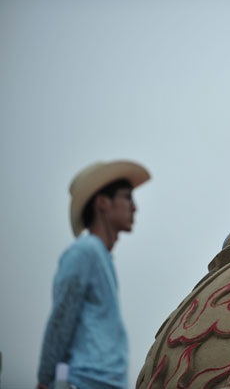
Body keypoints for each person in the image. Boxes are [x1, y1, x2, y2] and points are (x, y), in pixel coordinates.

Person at [37, 160, 151, 389]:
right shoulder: (85, 251)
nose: (134, 207)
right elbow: (61, 318)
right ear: (102, 203)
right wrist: (44, 380)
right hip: (82, 381)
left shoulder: (101, 257)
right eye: (127, 197)